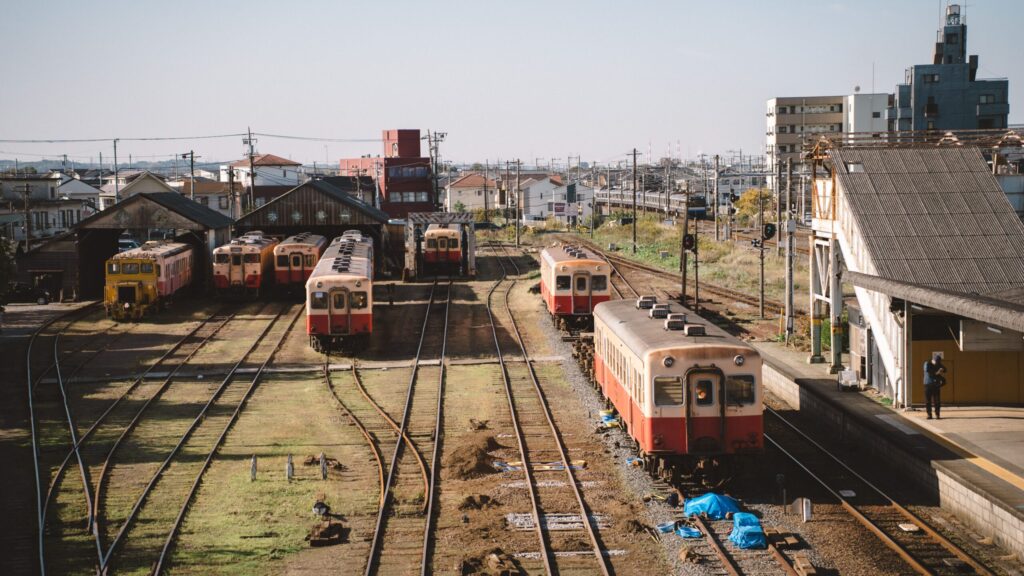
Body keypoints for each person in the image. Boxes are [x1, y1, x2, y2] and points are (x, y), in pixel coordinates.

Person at [923, 353, 946, 420]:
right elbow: (930, 373)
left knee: (937, 401)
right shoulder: (927, 364)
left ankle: (937, 414)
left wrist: (942, 369)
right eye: (936, 362)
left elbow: (945, 369)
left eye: (939, 362)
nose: (937, 363)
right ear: (933, 360)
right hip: (928, 384)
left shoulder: (938, 364)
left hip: (936, 385)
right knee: (928, 401)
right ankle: (929, 414)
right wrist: (938, 372)